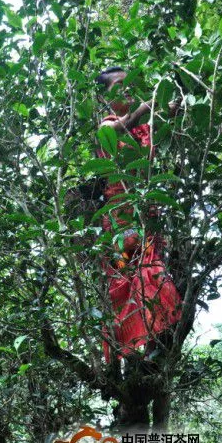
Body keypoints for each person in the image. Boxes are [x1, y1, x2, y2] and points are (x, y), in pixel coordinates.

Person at [67, 67, 182, 363]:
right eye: (118, 86)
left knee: (151, 273)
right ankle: (127, 351)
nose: (127, 90)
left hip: (147, 218)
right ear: (105, 98)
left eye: (130, 85)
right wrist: (146, 109)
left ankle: (153, 343)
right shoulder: (107, 126)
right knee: (123, 282)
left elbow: (158, 132)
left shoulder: (143, 128)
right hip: (121, 222)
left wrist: (167, 112)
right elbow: (112, 130)